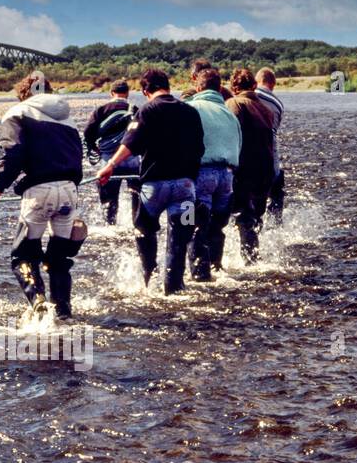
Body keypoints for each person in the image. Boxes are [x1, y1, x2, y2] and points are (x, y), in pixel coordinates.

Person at [0, 74, 86, 321]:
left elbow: (13, 152)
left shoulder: (17, 112)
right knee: (59, 258)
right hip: (70, 190)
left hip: (39, 192)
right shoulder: (68, 119)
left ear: (23, 94)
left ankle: (38, 305)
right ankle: (63, 313)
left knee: (23, 255)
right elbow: (77, 157)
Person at [97, 68, 204, 294]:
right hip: (186, 187)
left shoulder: (146, 111)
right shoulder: (191, 111)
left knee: (143, 229)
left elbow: (130, 143)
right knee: (181, 236)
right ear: (168, 85)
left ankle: (150, 279)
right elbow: (200, 149)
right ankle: (174, 287)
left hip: (154, 187)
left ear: (146, 90)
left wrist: (110, 165)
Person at [187, 67, 241, 280]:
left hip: (201, 174)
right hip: (226, 177)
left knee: (192, 224)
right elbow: (239, 146)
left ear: (198, 87)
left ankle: (200, 275)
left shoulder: (190, 107)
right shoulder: (229, 113)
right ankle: (216, 267)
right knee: (217, 226)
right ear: (219, 88)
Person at [225, 68, 276, 263]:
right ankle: (254, 256)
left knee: (243, 216)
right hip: (265, 170)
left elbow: (230, 136)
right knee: (255, 217)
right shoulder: (266, 109)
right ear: (254, 86)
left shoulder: (234, 104)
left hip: (245, 170)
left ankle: (249, 262)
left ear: (234, 87)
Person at [83, 80, 139, 225]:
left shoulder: (101, 110)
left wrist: (94, 147)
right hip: (132, 160)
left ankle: (111, 225)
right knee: (137, 196)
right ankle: (136, 224)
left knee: (109, 200)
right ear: (127, 93)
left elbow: (88, 132)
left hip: (109, 161)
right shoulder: (135, 109)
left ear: (111, 93)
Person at [255, 67, 285, 224]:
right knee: (277, 192)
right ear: (273, 84)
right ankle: (276, 225)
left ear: (258, 80)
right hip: (271, 158)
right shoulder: (278, 104)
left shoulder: (249, 95)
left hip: (249, 159)